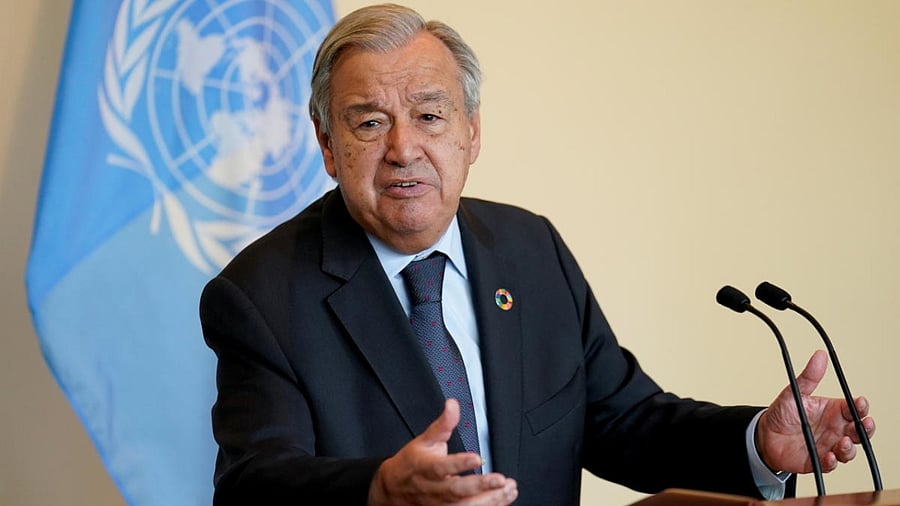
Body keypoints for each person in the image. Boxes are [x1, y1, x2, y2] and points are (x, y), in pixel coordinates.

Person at [199, 4, 875, 505]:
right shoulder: (261, 295)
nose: (404, 148)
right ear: (326, 143)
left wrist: (757, 443)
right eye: (370, 122)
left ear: (472, 132)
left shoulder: (530, 250)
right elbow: (254, 484)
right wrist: (378, 490)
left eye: (430, 116)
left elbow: (622, 420)